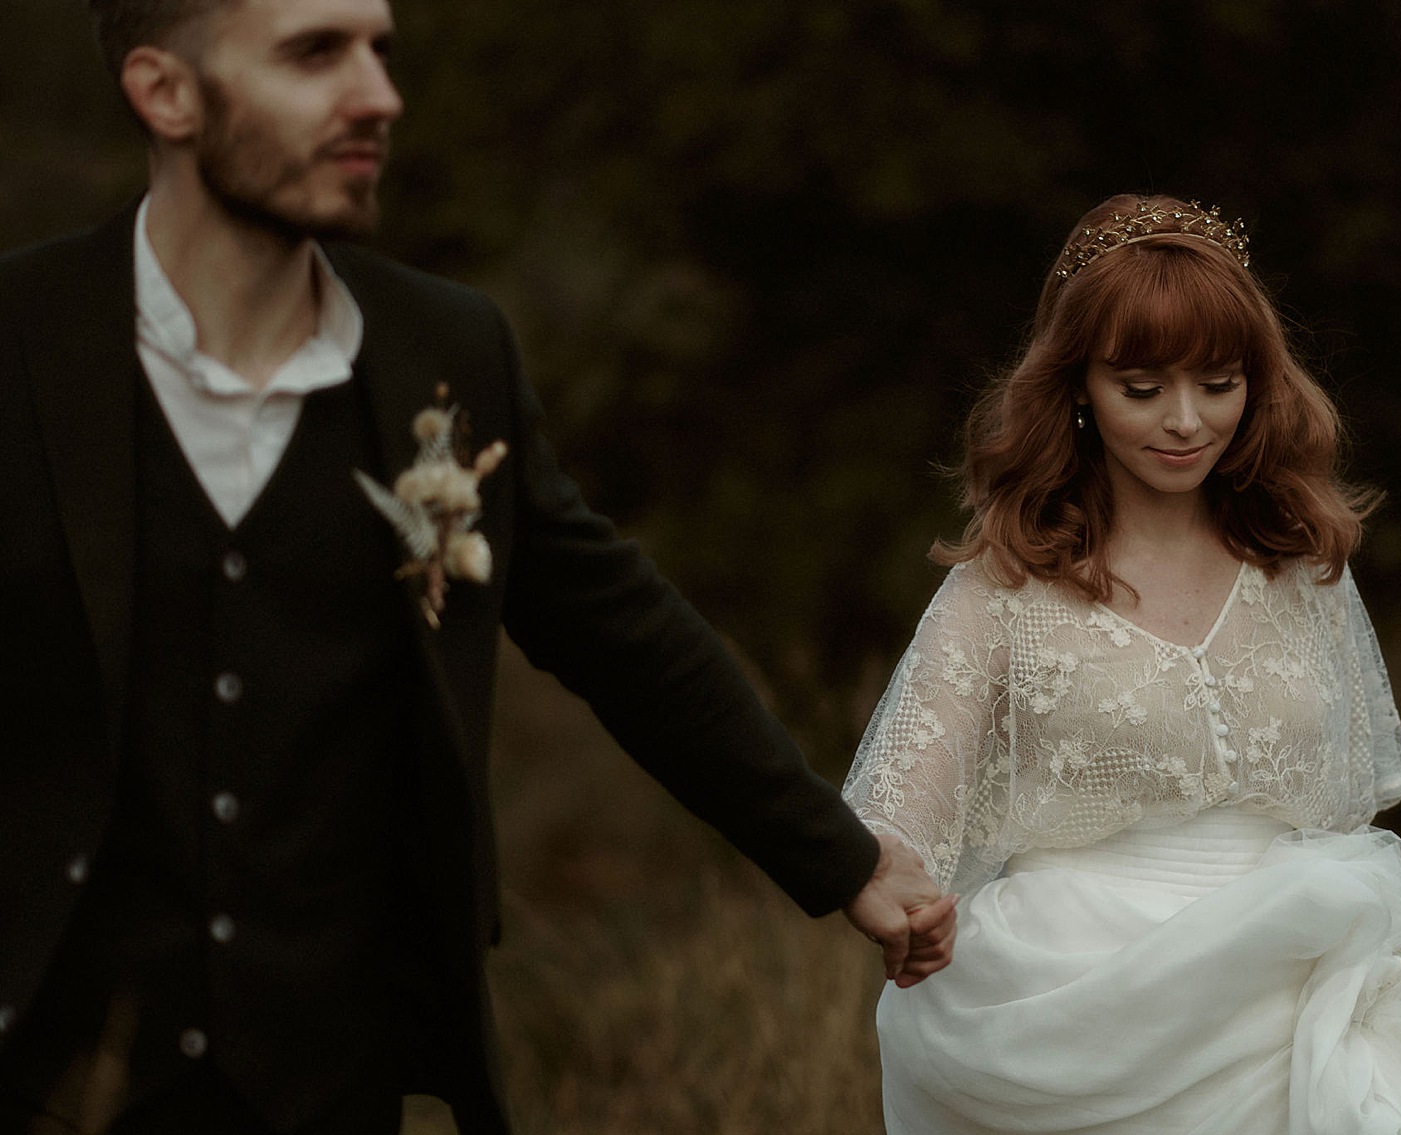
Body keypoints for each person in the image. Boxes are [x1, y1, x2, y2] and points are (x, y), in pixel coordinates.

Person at [0, 1, 956, 1133]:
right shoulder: (21, 339)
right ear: (165, 93)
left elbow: (622, 634)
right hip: (46, 1070)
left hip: (333, 1085)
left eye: (380, 50)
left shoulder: (447, 357)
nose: (378, 97)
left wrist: (840, 856)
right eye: (316, 53)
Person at [843, 193, 1401, 1134]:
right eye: (1142, 388)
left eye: (1218, 383)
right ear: (1077, 388)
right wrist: (898, 900)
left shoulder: (1302, 572)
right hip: (1078, 1014)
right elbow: (895, 825)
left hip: (1287, 1010)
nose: (1185, 421)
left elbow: (1341, 818)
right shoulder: (1003, 591)